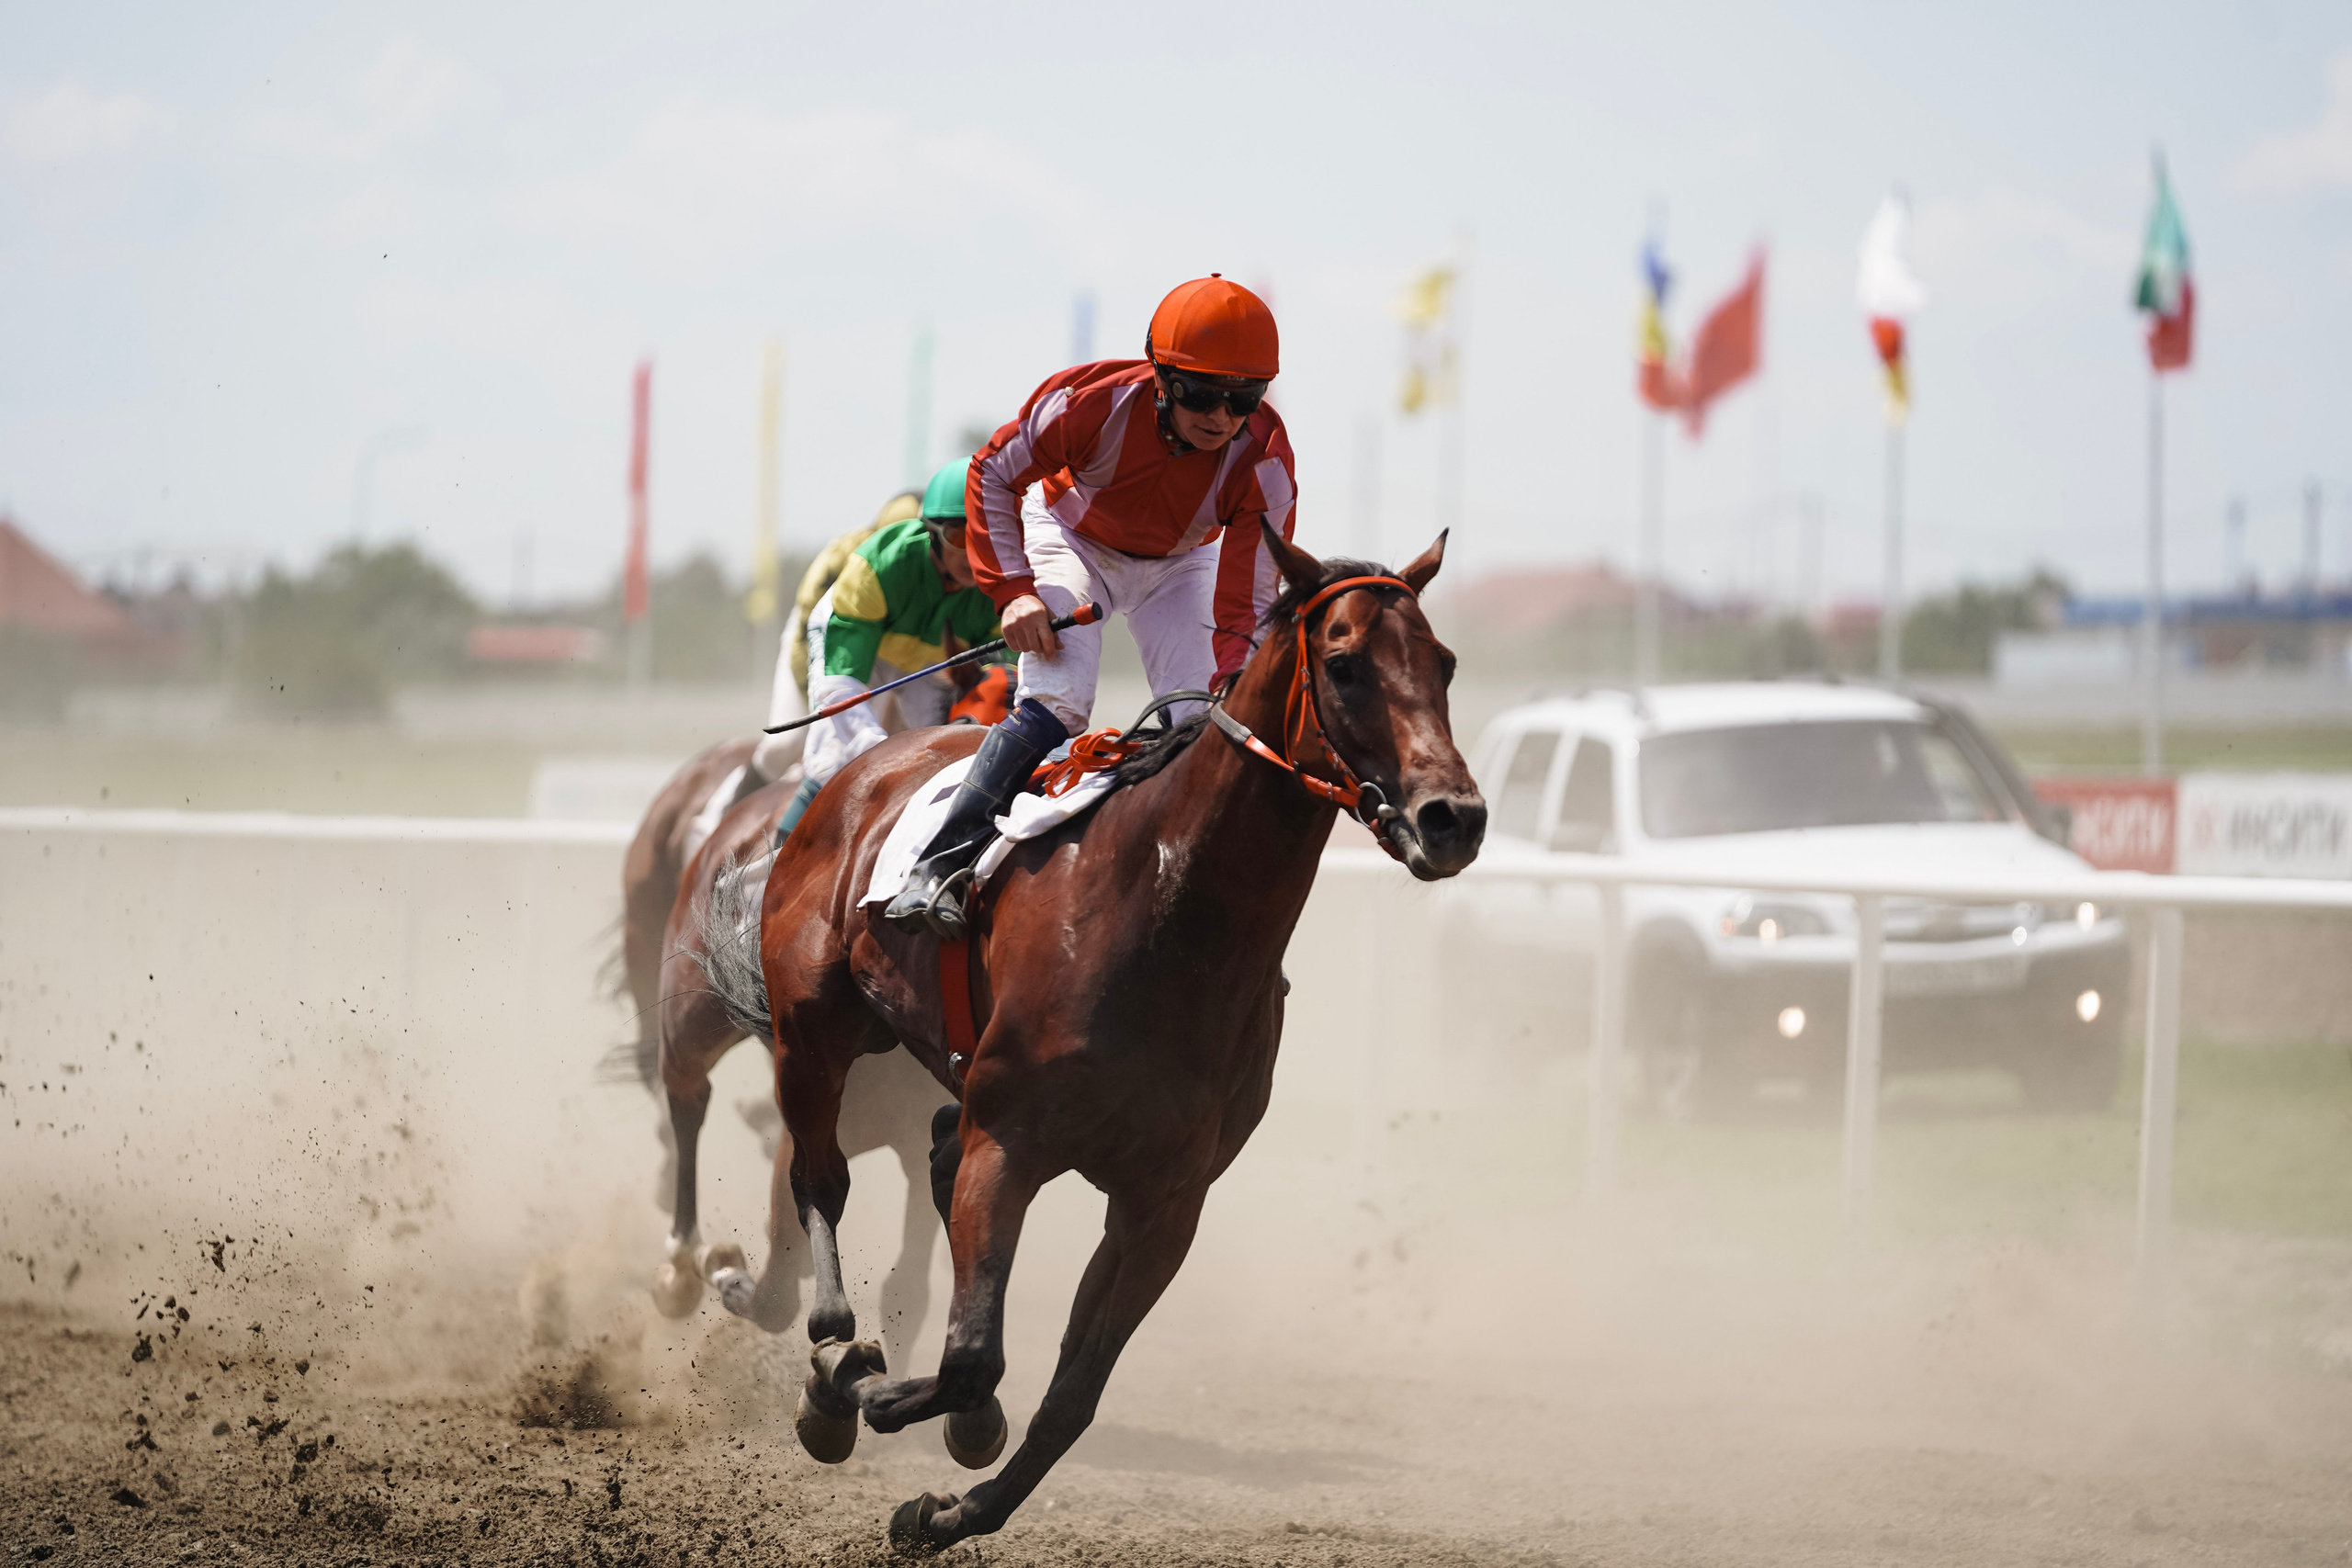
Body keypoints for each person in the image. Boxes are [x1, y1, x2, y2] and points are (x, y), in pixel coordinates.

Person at [883, 275, 1296, 938]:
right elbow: (990, 471)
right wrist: (1013, 590)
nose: (1221, 416)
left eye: (1242, 398)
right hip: (1070, 538)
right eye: (1201, 393)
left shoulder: (1267, 463)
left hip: (1181, 564)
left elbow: (1246, 600)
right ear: (1161, 374)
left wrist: (1232, 680)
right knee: (1061, 701)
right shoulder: (1089, 402)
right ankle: (938, 863)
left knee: (1204, 718)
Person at [759, 459, 1001, 848]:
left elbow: (1005, 672)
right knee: (837, 760)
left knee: (946, 754)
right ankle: (779, 863)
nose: (977, 553)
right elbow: (838, 682)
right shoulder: (874, 567)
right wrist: (876, 751)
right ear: (932, 533)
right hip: (852, 652)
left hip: (922, 658)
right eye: (961, 536)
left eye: (990, 537)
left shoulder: (1000, 580)